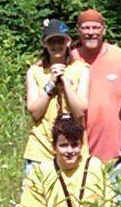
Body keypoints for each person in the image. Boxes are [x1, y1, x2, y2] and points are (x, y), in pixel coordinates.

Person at [23, 19, 89, 173]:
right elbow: (35, 112)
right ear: (44, 44)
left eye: (61, 40)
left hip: (72, 151)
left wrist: (65, 82)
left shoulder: (81, 69)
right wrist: (51, 83)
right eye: (51, 41)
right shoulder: (35, 72)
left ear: (68, 42)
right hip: (40, 150)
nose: (56, 45)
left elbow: (79, 111)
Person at [70, 8, 121, 170]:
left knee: (113, 195)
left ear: (104, 30)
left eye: (96, 27)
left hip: (112, 153)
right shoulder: (69, 59)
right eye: (85, 28)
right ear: (78, 31)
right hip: (75, 151)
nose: (91, 33)